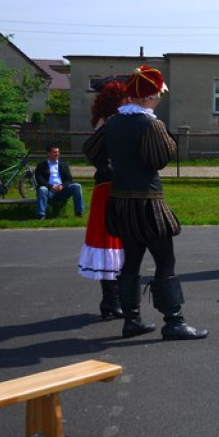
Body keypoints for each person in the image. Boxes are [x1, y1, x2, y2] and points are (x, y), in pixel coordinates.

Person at [85, 64, 207, 341]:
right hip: (148, 204)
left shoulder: (113, 122)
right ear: (150, 96)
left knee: (130, 263)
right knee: (165, 261)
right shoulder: (151, 124)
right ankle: (174, 321)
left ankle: (132, 321)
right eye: (158, 95)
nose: (159, 99)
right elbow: (159, 160)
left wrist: (116, 166)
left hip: (121, 204)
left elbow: (91, 151)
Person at [78, 79, 128, 320]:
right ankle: (110, 299)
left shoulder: (113, 122)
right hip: (109, 186)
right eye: (125, 97)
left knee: (120, 244)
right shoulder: (107, 124)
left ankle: (114, 299)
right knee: (111, 243)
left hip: (117, 185)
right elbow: (96, 156)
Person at [34, 144, 85, 219]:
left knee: (77, 186)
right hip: (48, 191)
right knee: (42, 189)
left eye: (58, 152)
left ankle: (79, 212)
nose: (57, 154)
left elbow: (69, 179)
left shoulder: (64, 165)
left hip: (62, 191)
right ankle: (41, 214)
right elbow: (39, 179)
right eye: (54, 152)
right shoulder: (41, 165)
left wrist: (62, 186)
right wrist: (50, 186)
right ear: (48, 153)